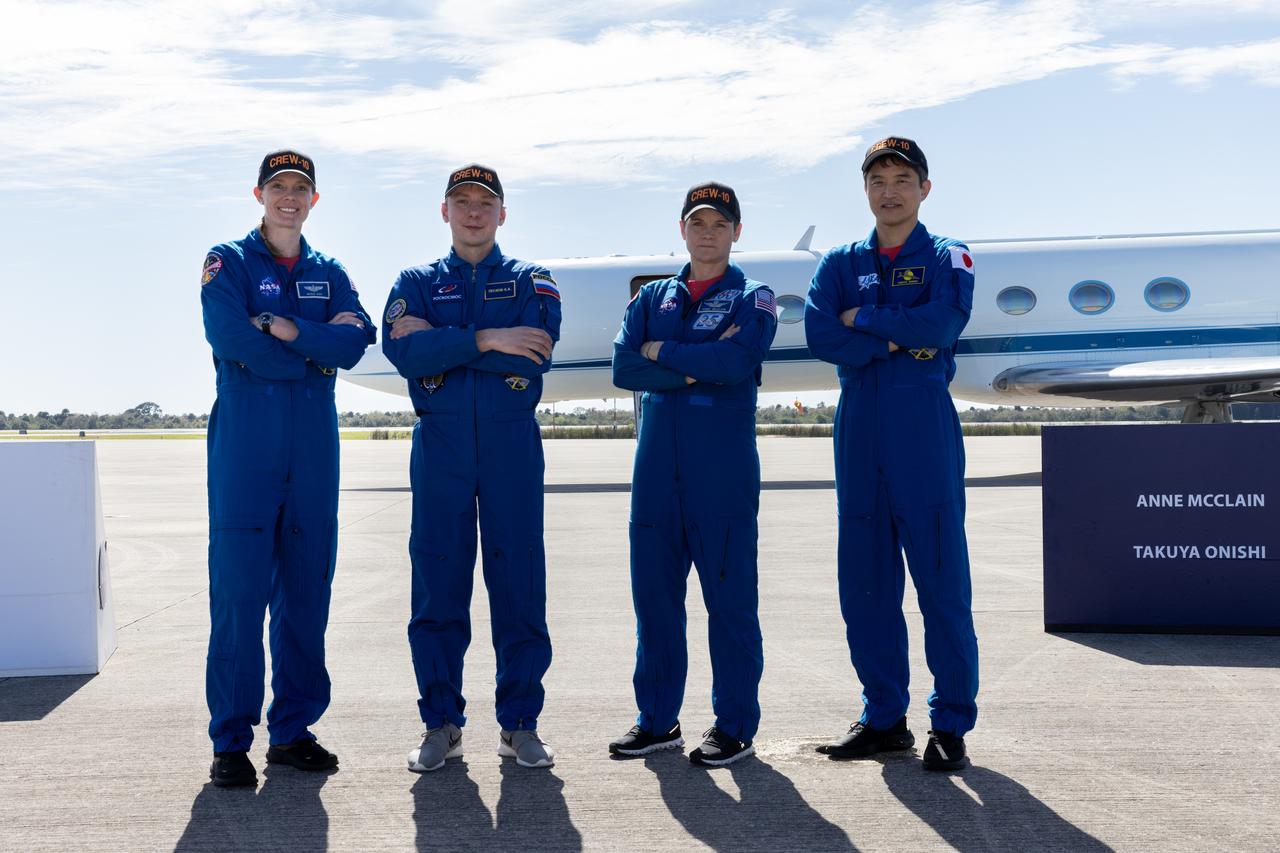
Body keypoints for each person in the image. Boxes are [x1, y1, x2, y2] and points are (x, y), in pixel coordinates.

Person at [200, 149, 375, 787]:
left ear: (314, 199)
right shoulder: (229, 262)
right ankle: (230, 742)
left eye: (301, 188)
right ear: (259, 194)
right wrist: (308, 353)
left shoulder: (330, 272)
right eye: (279, 188)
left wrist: (284, 329)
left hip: (311, 448)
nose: (290, 198)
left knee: (306, 592)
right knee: (240, 595)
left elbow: (356, 341)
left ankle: (293, 731)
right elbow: (229, 339)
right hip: (247, 443)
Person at [804, 136, 979, 772]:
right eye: (878, 180)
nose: (890, 190)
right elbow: (822, 332)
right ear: (866, 190)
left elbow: (939, 327)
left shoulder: (946, 254)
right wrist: (892, 339)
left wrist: (864, 321)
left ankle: (951, 723)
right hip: (859, 427)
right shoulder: (838, 263)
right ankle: (884, 719)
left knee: (940, 579)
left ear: (924, 188)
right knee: (866, 585)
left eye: (903, 178)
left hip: (920, 424)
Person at [382, 164, 561, 772]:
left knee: (519, 587)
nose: (474, 212)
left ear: (503, 214)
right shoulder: (416, 280)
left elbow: (534, 354)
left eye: (486, 203)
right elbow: (404, 354)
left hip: (511, 447)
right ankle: (441, 724)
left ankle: (519, 724)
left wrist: (447, 340)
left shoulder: (534, 280)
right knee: (437, 588)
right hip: (442, 446)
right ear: (445, 212)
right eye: (462, 202)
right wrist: (489, 339)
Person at [609, 181, 778, 767]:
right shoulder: (652, 295)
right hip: (655, 474)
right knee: (654, 602)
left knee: (730, 603)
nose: (708, 232)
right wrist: (690, 367)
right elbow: (622, 365)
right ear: (683, 229)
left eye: (720, 223)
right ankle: (657, 721)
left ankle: (733, 726)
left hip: (721, 475)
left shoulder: (752, 297)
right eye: (698, 222)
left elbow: (736, 363)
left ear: (736, 232)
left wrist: (663, 354)